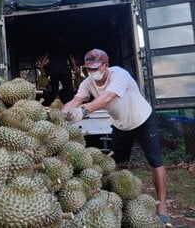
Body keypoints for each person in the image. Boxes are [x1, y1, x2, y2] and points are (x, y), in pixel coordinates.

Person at [61, 48, 171, 227]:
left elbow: (107, 97)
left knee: (155, 161)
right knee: (118, 163)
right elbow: (75, 100)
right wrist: (61, 114)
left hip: (142, 119)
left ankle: (163, 207)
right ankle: (117, 200)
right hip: (120, 124)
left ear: (106, 66)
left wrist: (83, 111)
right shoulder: (88, 82)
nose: (92, 72)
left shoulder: (119, 74)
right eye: (89, 69)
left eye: (95, 68)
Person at [39, 36, 80, 104]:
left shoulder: (55, 48)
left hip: (56, 71)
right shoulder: (63, 48)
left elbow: (45, 57)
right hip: (62, 71)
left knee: (57, 88)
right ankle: (62, 101)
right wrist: (75, 66)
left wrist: (41, 66)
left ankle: (59, 100)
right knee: (64, 87)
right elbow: (71, 57)